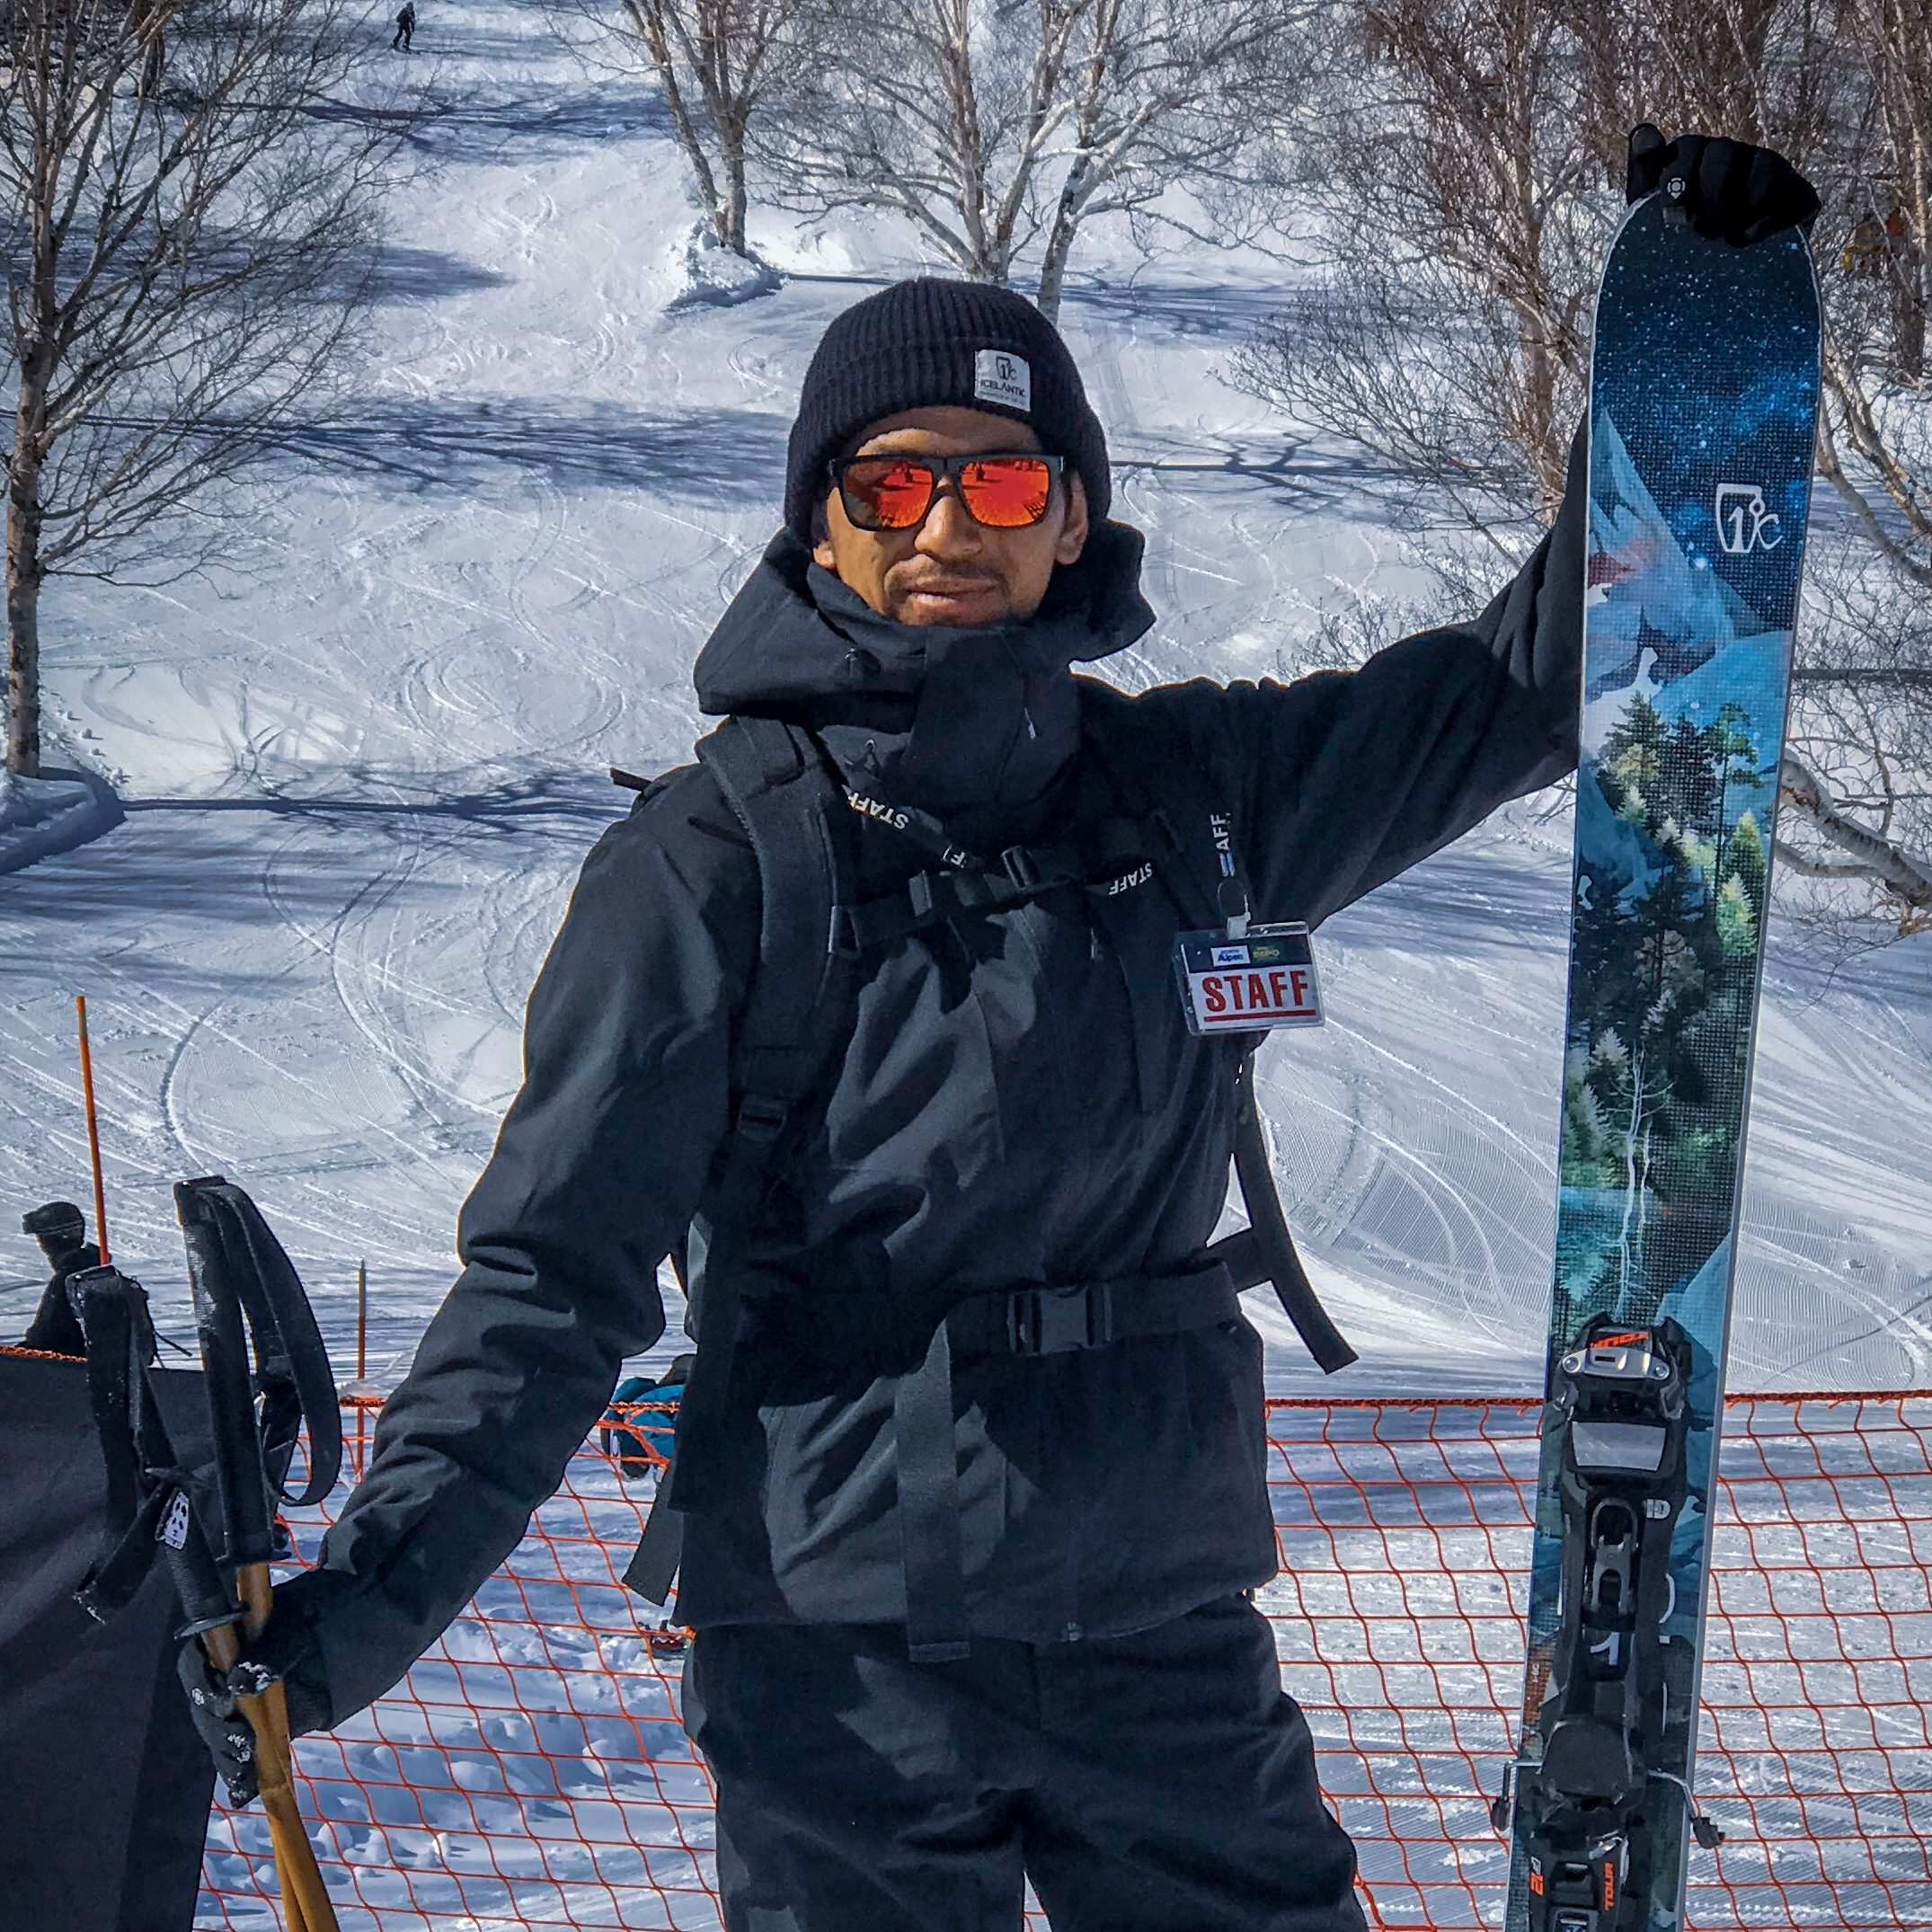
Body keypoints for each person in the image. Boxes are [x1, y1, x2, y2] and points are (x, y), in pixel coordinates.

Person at [182, 129, 1817, 1932]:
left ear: (1067, 514)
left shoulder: (1196, 793)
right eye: (891, 490)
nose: (948, 524)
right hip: (840, 1664)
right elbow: (546, 1282)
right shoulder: (712, 865)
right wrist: (361, 1615)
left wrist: (1684, 374)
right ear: (817, 520)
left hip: (1156, 1625)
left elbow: (1525, 684)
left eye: (999, 478)